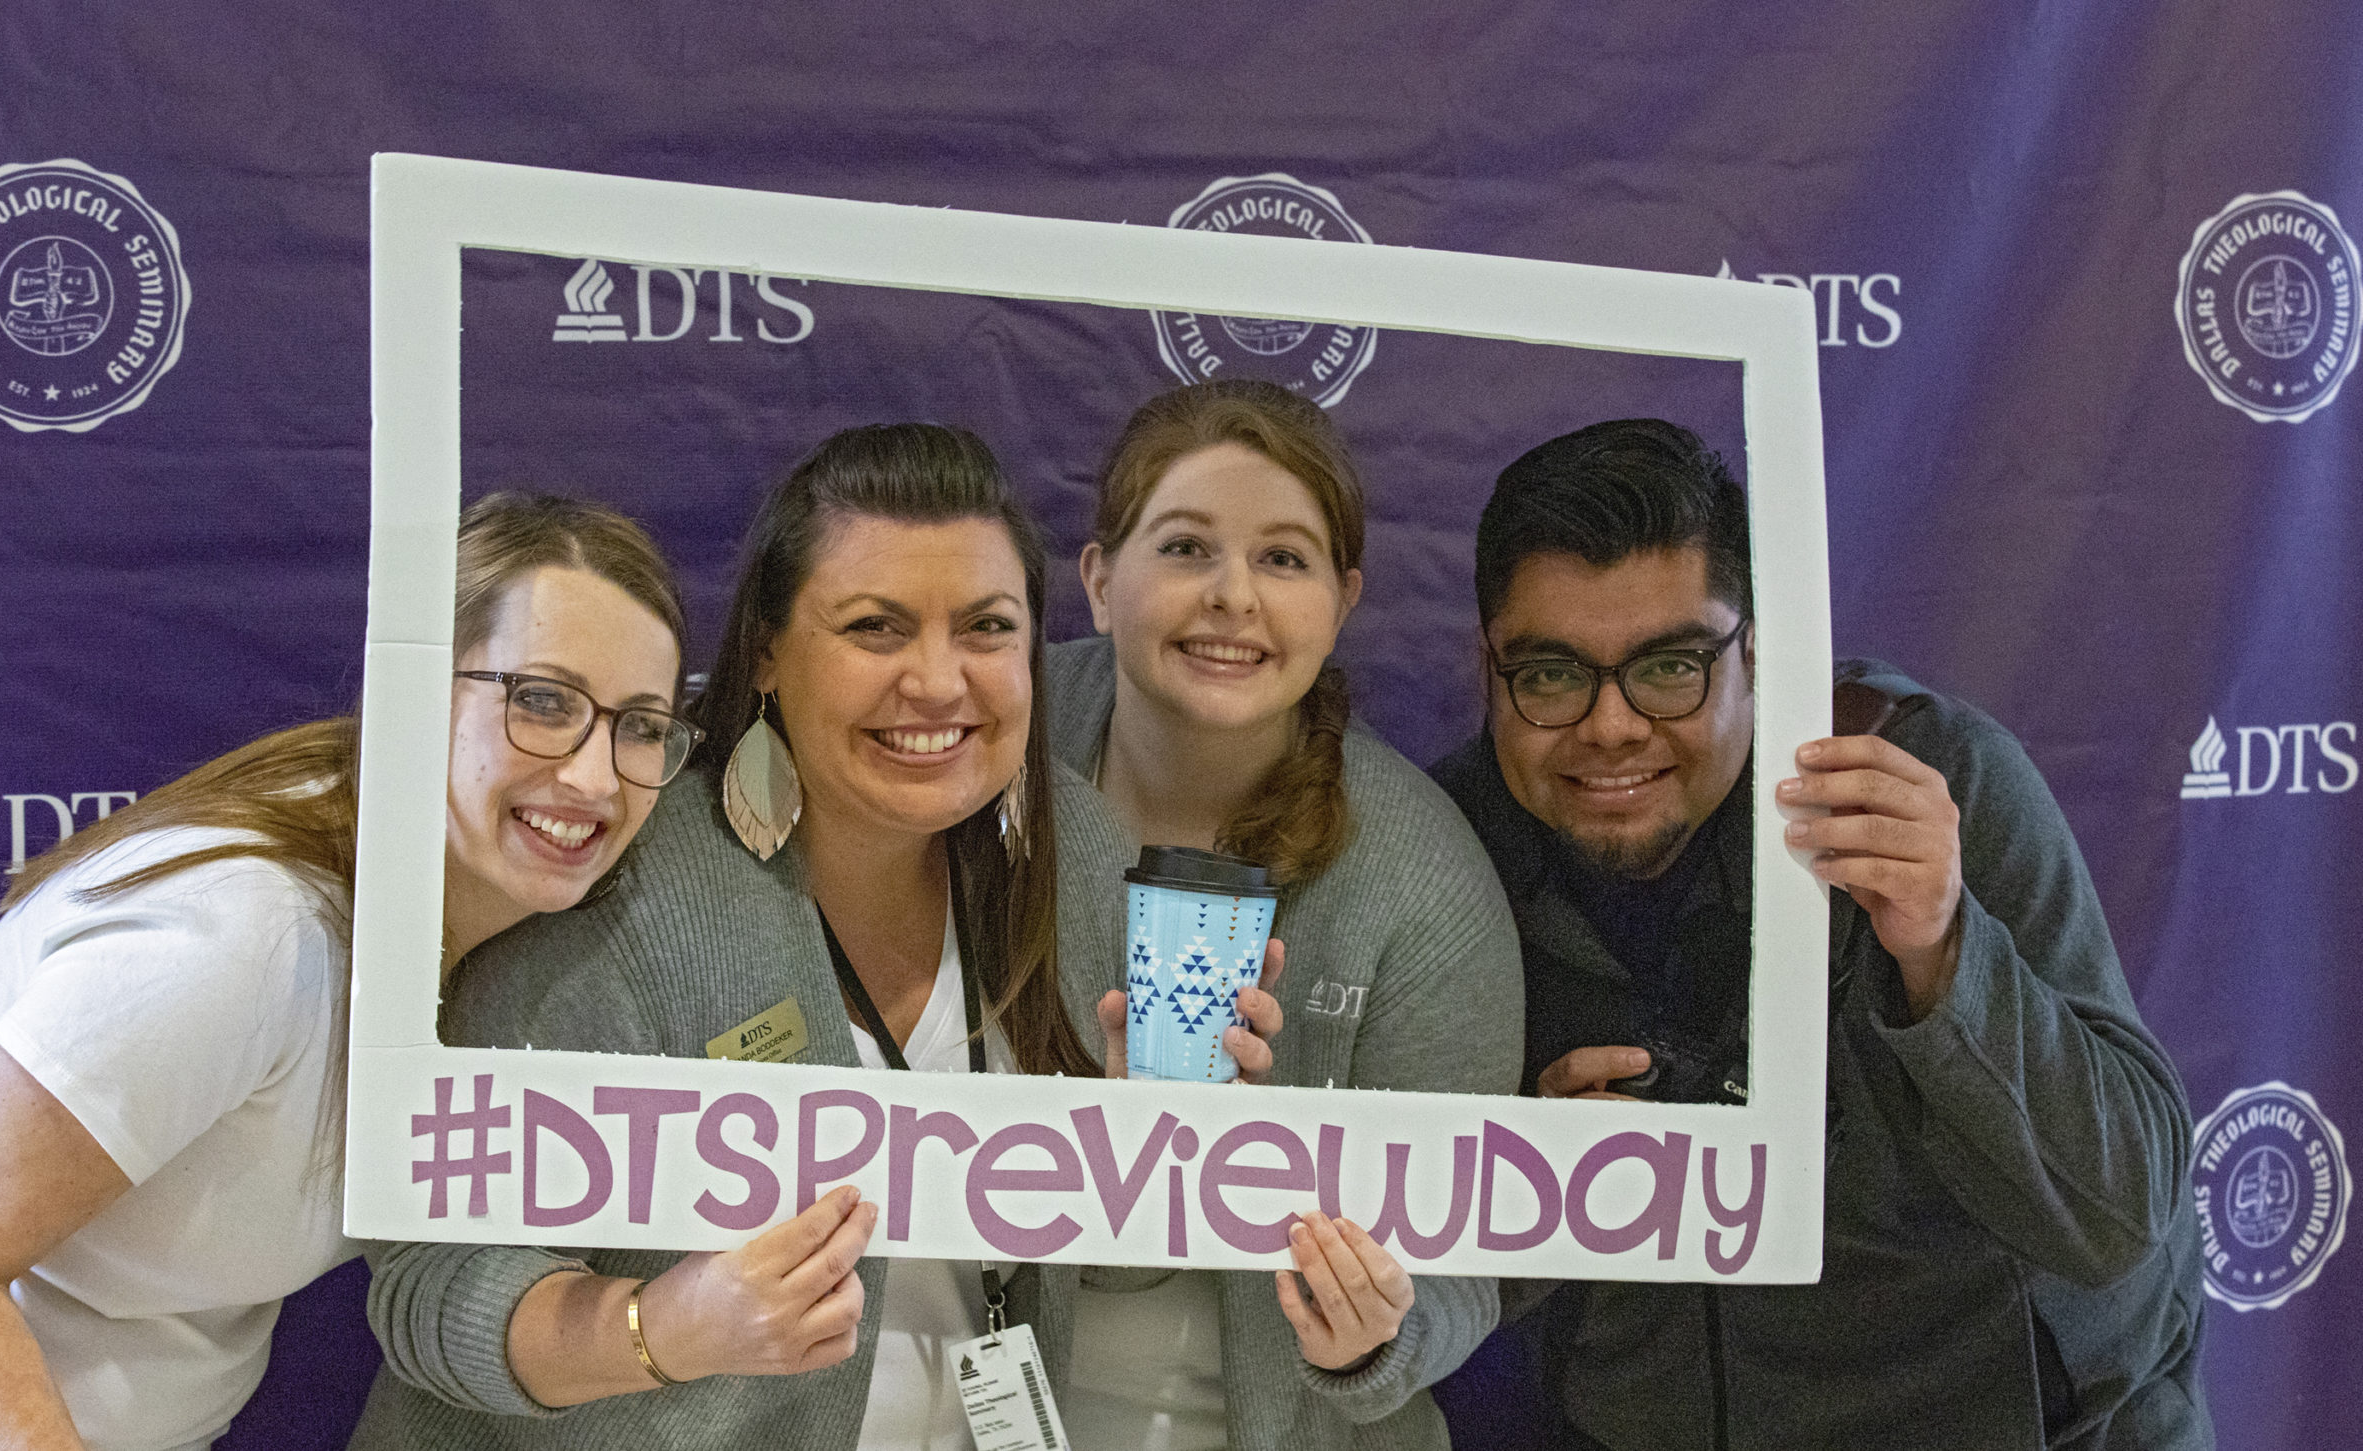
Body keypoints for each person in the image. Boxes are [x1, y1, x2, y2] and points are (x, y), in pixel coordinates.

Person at [356, 423, 1282, 1451]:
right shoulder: (620, 885)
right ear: (764, 650)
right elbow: (428, 1289)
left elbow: (1088, 1259)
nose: (937, 681)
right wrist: (660, 1328)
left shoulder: (1082, 860)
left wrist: (1142, 1157)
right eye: (875, 627)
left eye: (985, 626)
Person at [0, 492, 694, 1451]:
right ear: (413, 690)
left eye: (640, 725)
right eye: (544, 702)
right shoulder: (246, 929)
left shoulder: (474, 936)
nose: (596, 778)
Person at [1425, 418, 2211, 1449]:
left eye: (1669, 667)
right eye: (1551, 673)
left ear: (1757, 651)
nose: (1610, 724)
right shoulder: (1444, 848)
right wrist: (1524, 1189)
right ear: (1487, 668)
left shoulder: (1925, 781)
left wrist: (1941, 950)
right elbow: (1402, 1298)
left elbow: (2116, 1212)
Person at [1048, 379, 1525, 1451]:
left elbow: (1462, 1264)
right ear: (1096, 579)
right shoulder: (983, 762)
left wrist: (1369, 1338)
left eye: (1283, 558)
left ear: (1343, 598)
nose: (1233, 596)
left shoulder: (1420, 875)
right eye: (1183, 548)